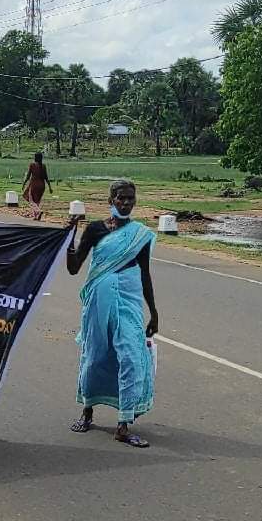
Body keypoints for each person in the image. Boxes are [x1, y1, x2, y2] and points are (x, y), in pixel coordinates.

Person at [66, 179, 158, 448]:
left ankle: (123, 424)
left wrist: (154, 312)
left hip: (129, 302)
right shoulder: (95, 230)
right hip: (98, 301)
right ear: (111, 201)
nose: (126, 203)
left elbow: (145, 274)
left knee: (131, 356)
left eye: (130, 198)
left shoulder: (140, 234)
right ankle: (87, 411)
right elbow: (73, 268)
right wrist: (70, 235)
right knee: (95, 356)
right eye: (121, 198)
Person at [21, 152, 52, 221]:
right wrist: (50, 187)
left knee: (31, 200)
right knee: (37, 200)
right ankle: (36, 216)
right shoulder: (43, 166)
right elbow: (46, 177)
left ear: (35, 158)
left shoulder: (32, 165)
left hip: (34, 185)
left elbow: (28, 176)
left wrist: (24, 184)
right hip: (42, 186)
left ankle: (38, 211)